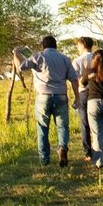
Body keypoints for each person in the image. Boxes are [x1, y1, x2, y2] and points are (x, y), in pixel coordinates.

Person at [16, 35, 77, 165]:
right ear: (56, 46)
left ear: (42, 46)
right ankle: (62, 147)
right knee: (63, 126)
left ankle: (44, 159)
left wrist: (16, 53)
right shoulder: (65, 59)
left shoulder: (38, 56)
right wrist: (77, 97)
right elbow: (73, 79)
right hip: (61, 95)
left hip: (43, 96)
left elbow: (20, 67)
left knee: (43, 127)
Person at [70, 36, 98, 161]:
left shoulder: (77, 60)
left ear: (82, 45)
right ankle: (100, 149)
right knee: (97, 122)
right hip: (97, 92)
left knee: (84, 123)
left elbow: (74, 80)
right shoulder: (98, 59)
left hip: (83, 93)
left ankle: (88, 152)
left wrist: (75, 96)